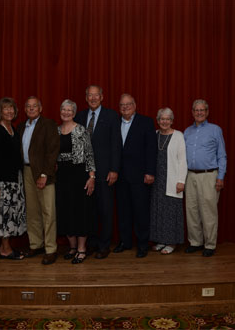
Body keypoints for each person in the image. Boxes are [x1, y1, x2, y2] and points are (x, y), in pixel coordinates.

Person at [74, 85, 121, 260]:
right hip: (84, 173)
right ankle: (91, 243)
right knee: (89, 210)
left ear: (102, 97)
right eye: (90, 95)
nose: (93, 98)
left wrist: (114, 169)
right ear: (86, 98)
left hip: (105, 172)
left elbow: (116, 144)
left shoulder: (111, 116)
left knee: (105, 210)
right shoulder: (79, 116)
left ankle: (104, 245)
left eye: (96, 95)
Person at [18, 97, 60, 265]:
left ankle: (51, 249)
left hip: (43, 173)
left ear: (40, 108)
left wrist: (44, 174)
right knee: (32, 211)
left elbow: (52, 150)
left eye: (34, 106)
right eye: (28, 106)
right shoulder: (21, 126)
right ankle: (36, 244)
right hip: (26, 171)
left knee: (48, 212)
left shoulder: (49, 124)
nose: (31, 108)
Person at [114, 94, 157, 258]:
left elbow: (151, 149)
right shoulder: (114, 122)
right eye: (122, 105)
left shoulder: (145, 122)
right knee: (123, 211)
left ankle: (142, 244)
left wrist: (150, 172)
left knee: (141, 211)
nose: (125, 107)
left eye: (128, 104)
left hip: (140, 176)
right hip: (120, 176)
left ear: (135, 105)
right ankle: (125, 242)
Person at [184, 99, 227, 257]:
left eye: (202, 110)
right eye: (196, 110)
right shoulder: (187, 131)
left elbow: (222, 155)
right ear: (192, 112)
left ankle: (210, 244)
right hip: (190, 175)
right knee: (192, 210)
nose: (199, 113)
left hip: (209, 175)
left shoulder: (215, 130)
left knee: (208, 211)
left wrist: (220, 177)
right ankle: (195, 242)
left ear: (207, 112)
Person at [56, 99, 96, 264]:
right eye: (63, 109)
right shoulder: (56, 131)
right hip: (61, 176)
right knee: (65, 211)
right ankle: (72, 247)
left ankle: (81, 249)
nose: (66, 112)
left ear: (74, 112)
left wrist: (92, 177)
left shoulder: (81, 130)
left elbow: (89, 154)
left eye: (69, 110)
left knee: (80, 212)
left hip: (79, 175)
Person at [0, 97, 26, 260]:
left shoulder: (13, 128)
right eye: (6, 109)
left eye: (11, 108)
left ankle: (7, 246)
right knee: (4, 215)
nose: (9, 111)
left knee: (12, 214)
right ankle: (4, 249)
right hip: (4, 181)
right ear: (0, 111)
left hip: (15, 179)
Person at [149, 108, 187, 255]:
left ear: (172, 121)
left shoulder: (178, 136)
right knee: (158, 211)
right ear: (158, 121)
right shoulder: (155, 135)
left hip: (172, 179)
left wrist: (181, 181)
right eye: (161, 119)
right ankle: (161, 240)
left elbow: (183, 160)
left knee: (171, 211)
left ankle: (171, 242)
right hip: (157, 180)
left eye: (167, 119)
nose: (164, 122)